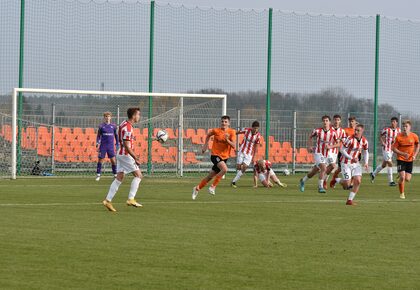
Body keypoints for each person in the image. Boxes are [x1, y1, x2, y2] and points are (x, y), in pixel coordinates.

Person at [102, 108, 143, 212]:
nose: (139, 117)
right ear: (133, 115)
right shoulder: (128, 128)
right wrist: (136, 158)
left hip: (120, 153)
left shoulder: (124, 123)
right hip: (126, 155)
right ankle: (131, 199)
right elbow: (127, 146)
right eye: (138, 115)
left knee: (120, 177)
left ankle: (107, 200)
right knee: (138, 176)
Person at [192, 116, 236, 200]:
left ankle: (197, 188)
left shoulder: (232, 132)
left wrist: (227, 140)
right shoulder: (216, 131)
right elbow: (208, 135)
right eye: (222, 121)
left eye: (225, 122)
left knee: (210, 176)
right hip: (215, 155)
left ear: (229, 123)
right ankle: (212, 187)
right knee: (225, 169)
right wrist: (205, 145)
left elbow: (234, 146)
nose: (224, 123)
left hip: (225, 157)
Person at [330, 124, 369, 205]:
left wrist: (366, 162)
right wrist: (351, 158)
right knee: (347, 184)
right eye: (355, 130)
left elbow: (366, 152)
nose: (356, 132)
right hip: (345, 163)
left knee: (358, 181)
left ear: (362, 131)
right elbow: (342, 150)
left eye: (358, 130)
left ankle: (349, 200)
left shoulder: (364, 141)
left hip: (356, 164)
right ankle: (336, 180)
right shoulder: (350, 139)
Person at [299, 115, 339, 193]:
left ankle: (303, 180)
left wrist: (331, 146)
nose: (325, 122)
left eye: (327, 121)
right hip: (318, 152)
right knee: (323, 168)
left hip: (327, 153)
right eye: (324, 121)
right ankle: (320, 186)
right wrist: (310, 146)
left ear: (329, 122)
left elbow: (338, 144)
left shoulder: (333, 132)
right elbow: (310, 137)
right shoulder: (317, 131)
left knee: (317, 170)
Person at [392, 120, 419, 199]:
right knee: (403, 177)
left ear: (410, 127)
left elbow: (418, 145)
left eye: (406, 126)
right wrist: (403, 154)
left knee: (407, 179)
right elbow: (394, 148)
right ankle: (402, 194)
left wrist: (415, 155)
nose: (404, 128)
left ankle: (400, 177)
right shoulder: (399, 137)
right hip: (401, 159)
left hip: (410, 160)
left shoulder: (414, 136)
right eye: (403, 126)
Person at [370, 117, 401, 186]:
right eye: (392, 121)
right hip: (386, 148)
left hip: (392, 150)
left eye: (394, 122)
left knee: (384, 165)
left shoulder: (399, 130)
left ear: (397, 123)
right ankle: (391, 182)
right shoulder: (386, 129)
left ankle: (373, 174)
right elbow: (380, 136)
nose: (392, 123)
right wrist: (382, 142)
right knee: (390, 163)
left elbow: (399, 139)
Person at [231, 120, 262, 188]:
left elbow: (256, 147)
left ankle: (233, 181)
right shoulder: (246, 130)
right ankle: (236, 178)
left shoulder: (258, 136)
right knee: (239, 166)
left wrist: (253, 157)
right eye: (254, 128)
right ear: (252, 127)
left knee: (244, 167)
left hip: (249, 154)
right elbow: (237, 132)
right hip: (242, 151)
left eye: (257, 128)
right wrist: (231, 136)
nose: (255, 130)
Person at [331, 116, 357, 185]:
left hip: (353, 153)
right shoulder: (345, 130)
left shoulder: (357, 131)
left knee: (354, 168)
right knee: (339, 169)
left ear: (355, 122)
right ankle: (334, 178)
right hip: (344, 152)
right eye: (350, 121)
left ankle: (351, 184)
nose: (351, 123)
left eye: (352, 121)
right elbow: (340, 137)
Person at [324, 114, 346, 188]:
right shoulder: (329, 129)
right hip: (328, 151)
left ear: (340, 121)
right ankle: (323, 182)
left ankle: (324, 180)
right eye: (335, 120)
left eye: (338, 120)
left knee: (330, 167)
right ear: (333, 121)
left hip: (335, 152)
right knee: (332, 166)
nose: (336, 121)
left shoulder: (342, 131)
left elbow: (342, 142)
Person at [95, 112, 118, 181]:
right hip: (103, 146)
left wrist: (117, 143)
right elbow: (98, 136)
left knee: (113, 161)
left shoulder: (113, 126)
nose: (107, 118)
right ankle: (98, 175)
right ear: (104, 117)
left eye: (109, 116)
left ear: (110, 117)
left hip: (110, 146)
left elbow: (116, 136)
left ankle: (115, 174)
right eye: (106, 116)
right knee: (100, 160)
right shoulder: (101, 126)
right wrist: (97, 142)